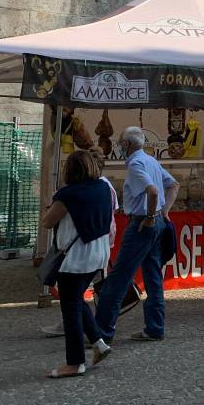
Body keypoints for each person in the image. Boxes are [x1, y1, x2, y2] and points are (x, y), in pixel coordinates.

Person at [94, 126, 179, 342]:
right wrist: (164, 211)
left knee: (119, 278)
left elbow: (153, 191)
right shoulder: (151, 161)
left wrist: (151, 217)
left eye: (121, 142)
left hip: (143, 224)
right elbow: (173, 184)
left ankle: (102, 333)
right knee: (153, 277)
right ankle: (154, 328)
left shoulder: (136, 163)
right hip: (155, 222)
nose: (119, 147)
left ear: (127, 145)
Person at [41, 150, 114, 378]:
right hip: (97, 254)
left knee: (70, 309)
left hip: (74, 258)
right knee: (75, 299)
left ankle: (75, 363)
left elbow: (47, 221)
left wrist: (49, 203)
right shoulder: (103, 187)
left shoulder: (68, 194)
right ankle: (99, 343)